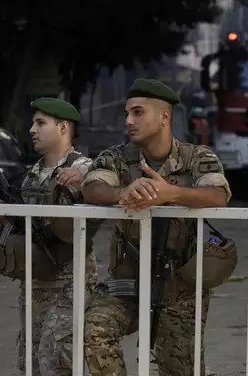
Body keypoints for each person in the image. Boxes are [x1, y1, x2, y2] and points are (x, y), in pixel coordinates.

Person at [81, 78, 236, 376]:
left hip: (180, 286)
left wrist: (172, 194)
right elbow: (92, 186)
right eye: (127, 113)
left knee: (179, 368)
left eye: (138, 112)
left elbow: (218, 194)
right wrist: (120, 193)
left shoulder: (196, 157)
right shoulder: (116, 157)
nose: (129, 121)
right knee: (94, 330)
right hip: (128, 282)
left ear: (164, 116)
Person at [0, 97, 98, 376]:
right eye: (33, 123)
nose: (31, 130)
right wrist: (4, 213)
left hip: (70, 286)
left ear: (62, 128)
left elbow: (107, 196)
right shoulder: (31, 175)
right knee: (31, 362)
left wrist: (83, 183)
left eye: (40, 123)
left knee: (58, 361)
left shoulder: (85, 168)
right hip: (35, 283)